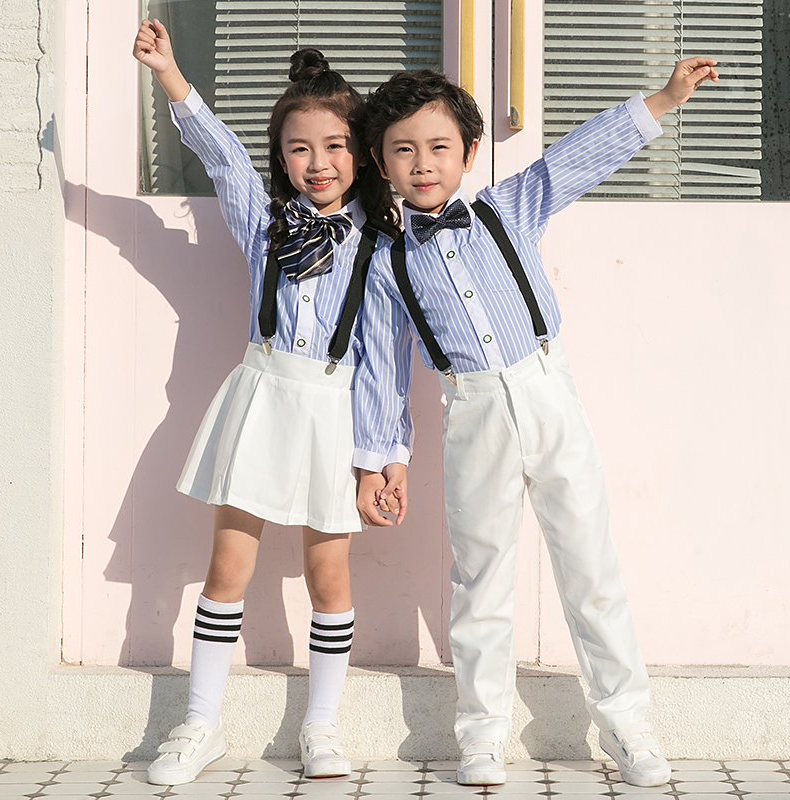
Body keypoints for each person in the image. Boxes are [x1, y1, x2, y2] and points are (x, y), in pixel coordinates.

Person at [353, 58, 719, 787]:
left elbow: (581, 154)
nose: (422, 163)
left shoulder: (508, 207)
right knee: (481, 580)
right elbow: (381, 369)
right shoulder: (388, 261)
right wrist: (380, 459)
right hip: (472, 411)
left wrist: (665, 98)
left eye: (438, 147)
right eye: (403, 149)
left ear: (467, 152)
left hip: (548, 392)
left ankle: (629, 727)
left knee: (591, 568)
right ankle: (481, 736)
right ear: (380, 162)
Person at [132, 19, 407, 786]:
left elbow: (384, 364)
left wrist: (382, 457)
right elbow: (220, 154)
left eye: (334, 146)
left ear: (362, 151)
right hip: (260, 396)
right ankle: (201, 723)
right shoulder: (265, 223)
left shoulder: (377, 245)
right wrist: (170, 74)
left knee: (330, 578)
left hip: (333, 412)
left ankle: (321, 725)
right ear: (281, 157)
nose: (317, 163)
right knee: (227, 565)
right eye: (298, 148)